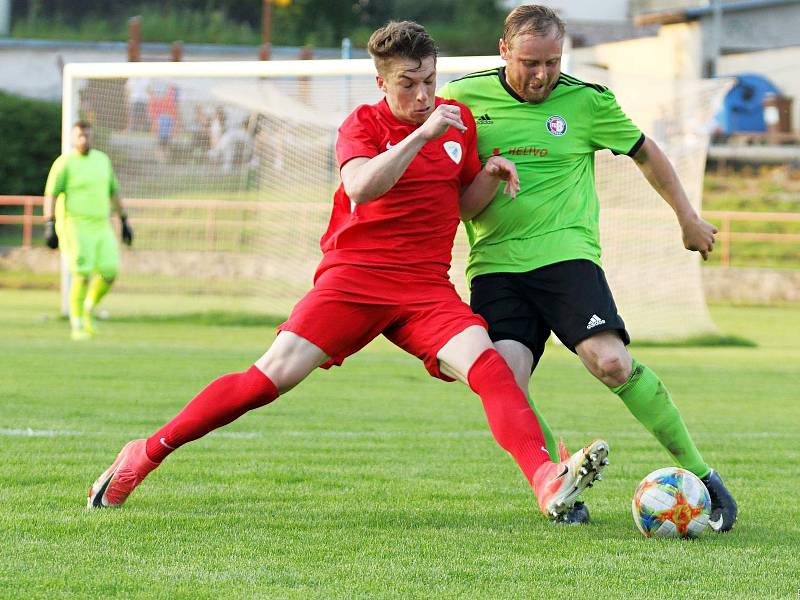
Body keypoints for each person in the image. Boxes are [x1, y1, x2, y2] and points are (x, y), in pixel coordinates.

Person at [87, 21, 609, 520]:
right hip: (353, 280)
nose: (424, 95)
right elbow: (361, 187)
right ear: (381, 81)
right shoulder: (363, 124)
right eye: (408, 83)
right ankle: (146, 452)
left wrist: (491, 176)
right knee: (266, 380)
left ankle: (545, 480)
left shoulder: (458, 123)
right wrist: (419, 136)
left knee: (490, 365)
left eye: (430, 80)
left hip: (425, 288)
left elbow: (466, 206)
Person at [438, 4, 737, 530]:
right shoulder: (461, 100)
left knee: (611, 363)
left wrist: (687, 218)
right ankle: (558, 480)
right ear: (504, 50)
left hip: (567, 258)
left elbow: (647, 153)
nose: (542, 75)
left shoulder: (587, 101)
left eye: (553, 62)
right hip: (495, 266)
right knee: (505, 383)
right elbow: (443, 183)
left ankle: (703, 475)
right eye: (531, 62)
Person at [44, 121, 133, 340]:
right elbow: (51, 193)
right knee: (82, 274)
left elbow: (113, 192)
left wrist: (124, 220)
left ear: (92, 137)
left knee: (110, 271)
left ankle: (88, 309)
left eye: (88, 136)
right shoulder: (64, 163)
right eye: (80, 136)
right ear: (74, 138)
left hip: (101, 224)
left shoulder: (102, 160)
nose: (84, 140)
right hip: (75, 224)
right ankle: (77, 325)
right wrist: (49, 223)